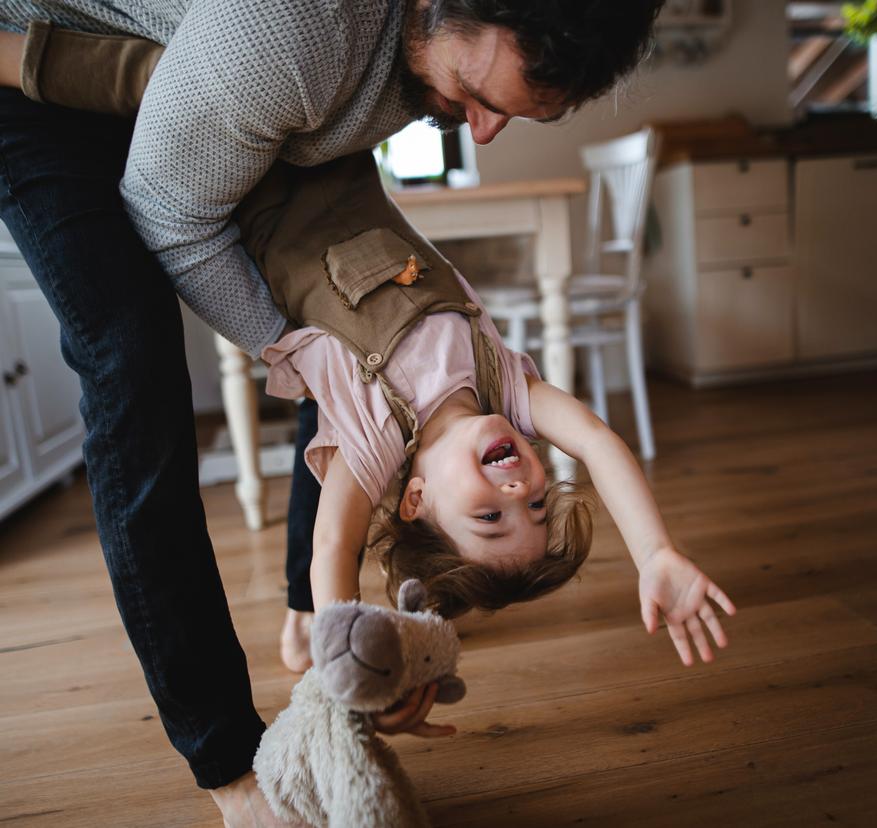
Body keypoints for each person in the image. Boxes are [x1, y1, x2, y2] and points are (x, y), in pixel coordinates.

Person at [0, 2, 711, 825]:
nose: (518, 487)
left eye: (488, 515)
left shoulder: (373, 438)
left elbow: (336, 541)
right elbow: (596, 436)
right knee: (132, 341)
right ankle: (236, 740)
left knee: (123, 77)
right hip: (254, 124)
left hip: (244, 156)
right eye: (538, 502)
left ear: (415, 500)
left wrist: (337, 650)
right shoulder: (503, 381)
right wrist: (654, 550)